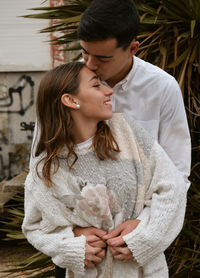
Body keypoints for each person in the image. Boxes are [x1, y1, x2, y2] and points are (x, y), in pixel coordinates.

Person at [23, 61, 187, 278]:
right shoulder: (46, 168)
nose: (109, 90)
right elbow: (34, 226)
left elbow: (172, 186)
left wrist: (146, 235)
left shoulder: (128, 132)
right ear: (70, 100)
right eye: (96, 85)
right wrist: (70, 246)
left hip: (145, 272)